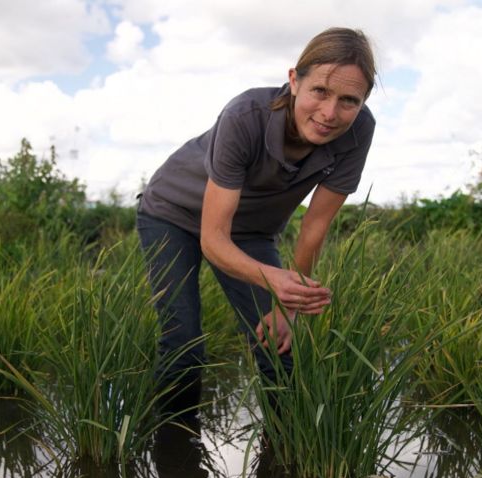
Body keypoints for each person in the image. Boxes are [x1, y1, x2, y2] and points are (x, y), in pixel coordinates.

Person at [136, 27, 376, 414]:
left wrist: (290, 306)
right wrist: (277, 280)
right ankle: (174, 455)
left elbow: (314, 227)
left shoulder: (358, 131)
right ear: (294, 81)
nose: (330, 113)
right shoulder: (245, 116)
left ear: (363, 101)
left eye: (349, 100)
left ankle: (285, 453)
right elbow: (213, 240)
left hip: (252, 231)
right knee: (184, 342)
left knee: (280, 343)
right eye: (320, 91)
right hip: (172, 213)